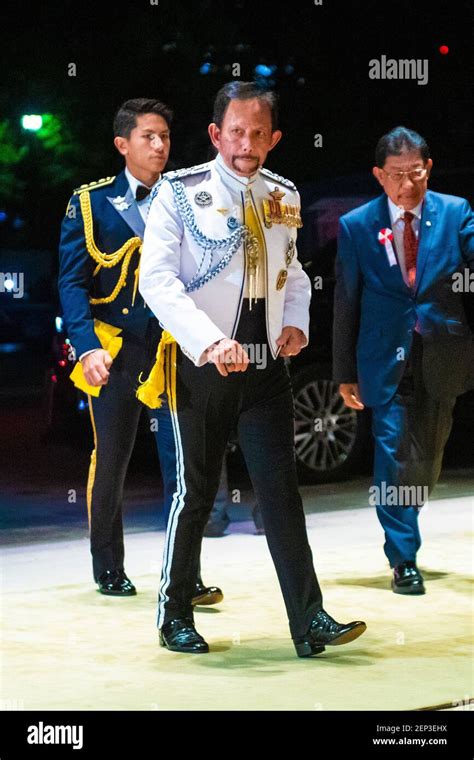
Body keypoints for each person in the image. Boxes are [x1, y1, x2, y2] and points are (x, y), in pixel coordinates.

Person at [139, 81, 367, 657]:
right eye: (235, 131)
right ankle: (175, 614)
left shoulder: (285, 194)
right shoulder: (179, 192)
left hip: (267, 369)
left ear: (275, 137)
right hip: (202, 367)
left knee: (282, 493)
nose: (247, 142)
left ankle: (309, 619)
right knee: (194, 494)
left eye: (258, 132)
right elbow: (157, 281)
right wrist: (211, 342)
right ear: (216, 134)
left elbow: (293, 273)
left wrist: (297, 323)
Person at [58, 98, 222, 605]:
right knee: (112, 459)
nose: (159, 145)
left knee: (186, 463)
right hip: (119, 349)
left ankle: (184, 575)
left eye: (166, 136)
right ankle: (108, 565)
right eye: (148, 136)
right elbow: (71, 284)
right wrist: (85, 347)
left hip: (175, 348)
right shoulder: (91, 203)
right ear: (122, 144)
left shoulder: (187, 198)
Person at [333, 126, 474, 594]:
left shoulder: (455, 213)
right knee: (393, 452)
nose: (407, 185)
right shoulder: (357, 225)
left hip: (440, 349)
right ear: (379, 175)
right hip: (383, 356)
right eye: (396, 175)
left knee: (426, 460)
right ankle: (403, 558)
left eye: (415, 173)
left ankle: (409, 512)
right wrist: (344, 372)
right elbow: (346, 301)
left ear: (428, 169)